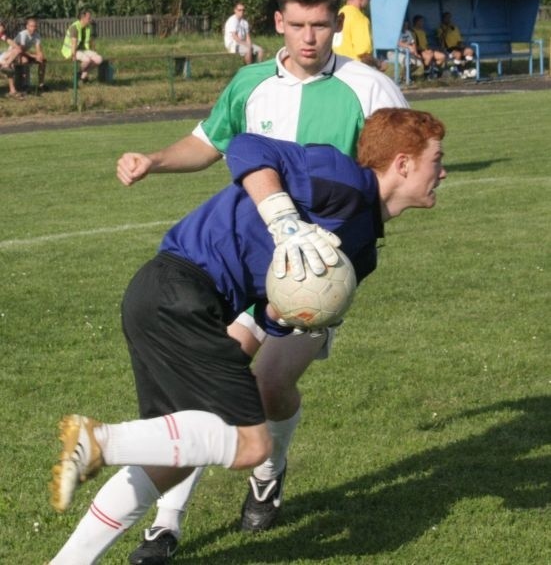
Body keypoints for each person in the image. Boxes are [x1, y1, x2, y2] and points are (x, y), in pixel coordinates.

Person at [50, 107, 447, 564]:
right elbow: (246, 148)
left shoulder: (362, 248)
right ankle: (102, 442)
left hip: (171, 298)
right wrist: (283, 219)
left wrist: (295, 312)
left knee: (171, 457)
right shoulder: (344, 180)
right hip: (180, 289)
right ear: (403, 163)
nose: (443, 171)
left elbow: (271, 310)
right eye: (436, 159)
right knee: (249, 442)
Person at [117, 0, 408, 563]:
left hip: (315, 274)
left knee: (271, 386)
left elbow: (394, 173)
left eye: (321, 26)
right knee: (210, 390)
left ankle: (268, 471)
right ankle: (165, 523)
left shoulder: (370, 90)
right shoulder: (250, 83)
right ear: (279, 22)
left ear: (336, 23)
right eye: (298, 26)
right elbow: (207, 143)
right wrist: (154, 159)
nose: (309, 38)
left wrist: (341, 250)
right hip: (243, 269)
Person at [332, 0, 387, 71]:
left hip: (337, 71)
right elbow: (363, 55)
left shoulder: (339, 14)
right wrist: (379, 64)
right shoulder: (359, 18)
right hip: (355, 72)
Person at [61, 9, 103, 83]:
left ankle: (82, 75)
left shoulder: (88, 27)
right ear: (82, 18)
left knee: (99, 59)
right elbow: (74, 44)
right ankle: (81, 75)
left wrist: (93, 51)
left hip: (82, 50)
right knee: (87, 60)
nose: (90, 19)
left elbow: (90, 41)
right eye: (89, 18)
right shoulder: (74, 27)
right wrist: (73, 55)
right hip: (71, 51)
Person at [437, 11, 476, 79]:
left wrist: (461, 44)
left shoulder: (455, 27)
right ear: (443, 19)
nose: (449, 19)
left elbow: (459, 39)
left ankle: (465, 69)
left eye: (449, 18)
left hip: (458, 47)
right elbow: (440, 40)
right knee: (458, 54)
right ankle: (460, 71)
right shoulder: (440, 28)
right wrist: (446, 29)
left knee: (470, 51)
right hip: (449, 49)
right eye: (447, 18)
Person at [14, 16, 47, 91]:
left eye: (35, 26)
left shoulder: (37, 35)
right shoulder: (23, 34)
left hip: (24, 53)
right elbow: (20, 50)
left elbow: (38, 49)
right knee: (25, 60)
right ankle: (25, 85)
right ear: (27, 26)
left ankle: (41, 84)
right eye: (31, 26)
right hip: (14, 54)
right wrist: (33, 56)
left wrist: (40, 56)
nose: (33, 28)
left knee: (43, 61)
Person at [412, 14, 446, 79]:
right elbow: (414, 45)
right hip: (419, 51)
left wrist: (429, 49)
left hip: (426, 50)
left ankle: (434, 71)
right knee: (429, 56)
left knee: (442, 56)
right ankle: (426, 74)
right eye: (421, 21)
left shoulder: (422, 31)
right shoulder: (412, 31)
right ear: (417, 22)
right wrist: (424, 50)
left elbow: (426, 44)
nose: (423, 23)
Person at [0, 20, 23, 98]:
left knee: (17, 50)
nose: (1, 32)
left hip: (1, 56)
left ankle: (6, 65)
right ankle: (12, 90)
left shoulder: (2, 35)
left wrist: (17, 47)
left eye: (2, 30)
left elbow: (9, 41)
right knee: (10, 65)